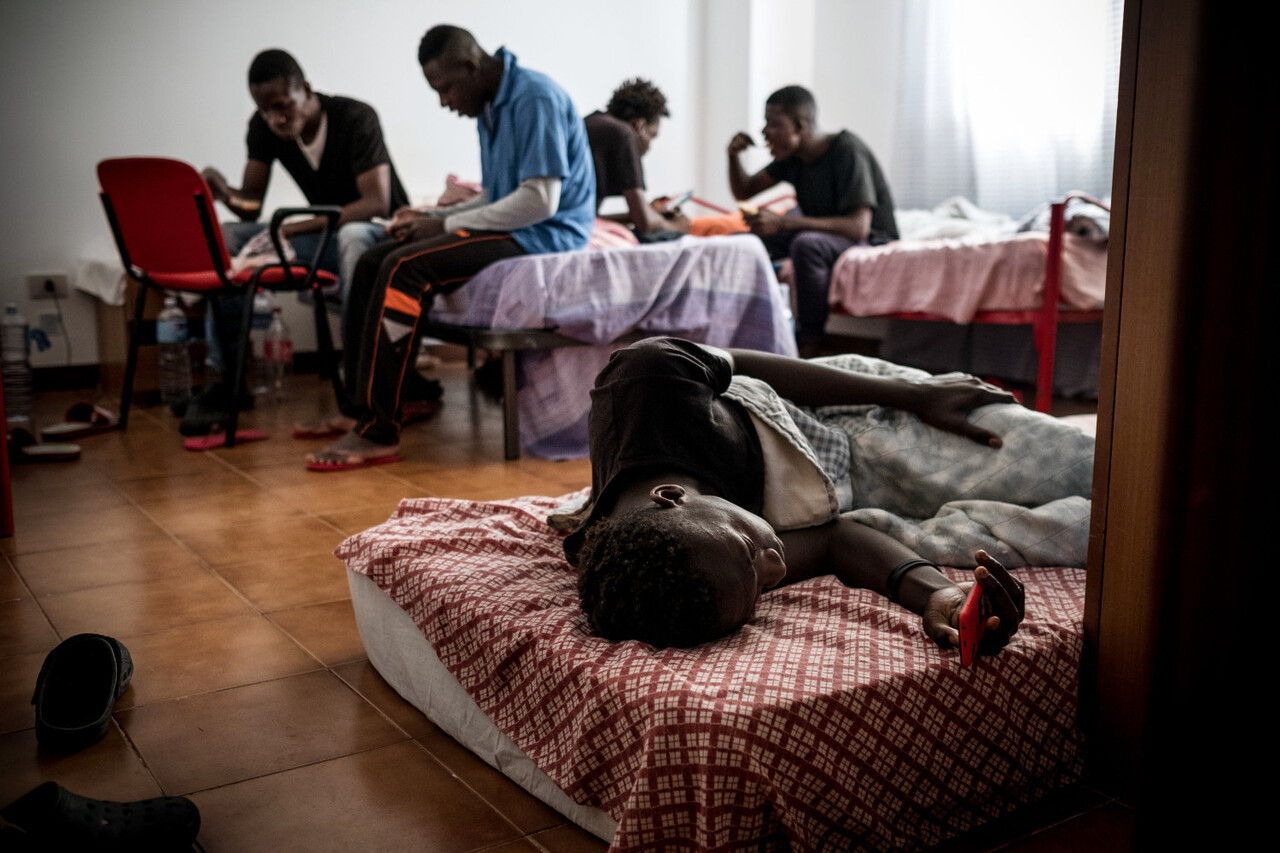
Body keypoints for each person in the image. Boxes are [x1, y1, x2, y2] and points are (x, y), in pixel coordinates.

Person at [566, 337, 1095, 650]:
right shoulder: (703, 574)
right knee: (1087, 532)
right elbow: (835, 539)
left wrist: (915, 395)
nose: (776, 569)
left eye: (754, 558)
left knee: (1090, 464)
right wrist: (936, 593)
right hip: (863, 501)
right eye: (760, 593)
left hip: (855, 415)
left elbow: (748, 365)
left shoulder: (644, 384)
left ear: (670, 497)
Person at [302, 25, 595, 470]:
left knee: (405, 268)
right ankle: (359, 406)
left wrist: (448, 223)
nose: (445, 102)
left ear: (471, 66)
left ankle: (379, 431)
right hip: (518, 225)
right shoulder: (492, 106)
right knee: (371, 260)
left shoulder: (534, 97)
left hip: (547, 233)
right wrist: (432, 218)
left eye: (445, 89)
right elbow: (498, 196)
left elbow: (539, 200)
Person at [185, 48, 409, 434]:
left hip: (378, 236)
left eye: (283, 105)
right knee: (228, 238)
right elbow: (251, 206)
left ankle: (359, 386)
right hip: (322, 238)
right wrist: (224, 194)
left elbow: (376, 203)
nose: (275, 118)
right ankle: (228, 381)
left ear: (306, 89)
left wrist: (296, 228)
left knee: (353, 236)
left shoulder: (356, 117)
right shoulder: (263, 127)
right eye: (265, 110)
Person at [728, 85, 898, 355]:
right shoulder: (793, 158)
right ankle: (741, 332)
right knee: (742, 243)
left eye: (773, 124)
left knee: (807, 245)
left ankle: (809, 343)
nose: (764, 132)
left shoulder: (846, 150)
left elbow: (858, 228)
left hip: (870, 238)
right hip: (825, 232)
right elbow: (745, 191)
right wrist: (733, 156)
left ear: (800, 126)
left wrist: (784, 223)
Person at [584, 79, 689, 241]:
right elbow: (644, 223)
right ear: (639, 126)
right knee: (670, 237)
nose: (649, 147)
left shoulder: (592, 123)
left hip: (558, 225)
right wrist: (680, 226)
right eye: (652, 136)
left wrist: (641, 214)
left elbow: (590, 219)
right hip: (569, 234)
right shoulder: (623, 133)